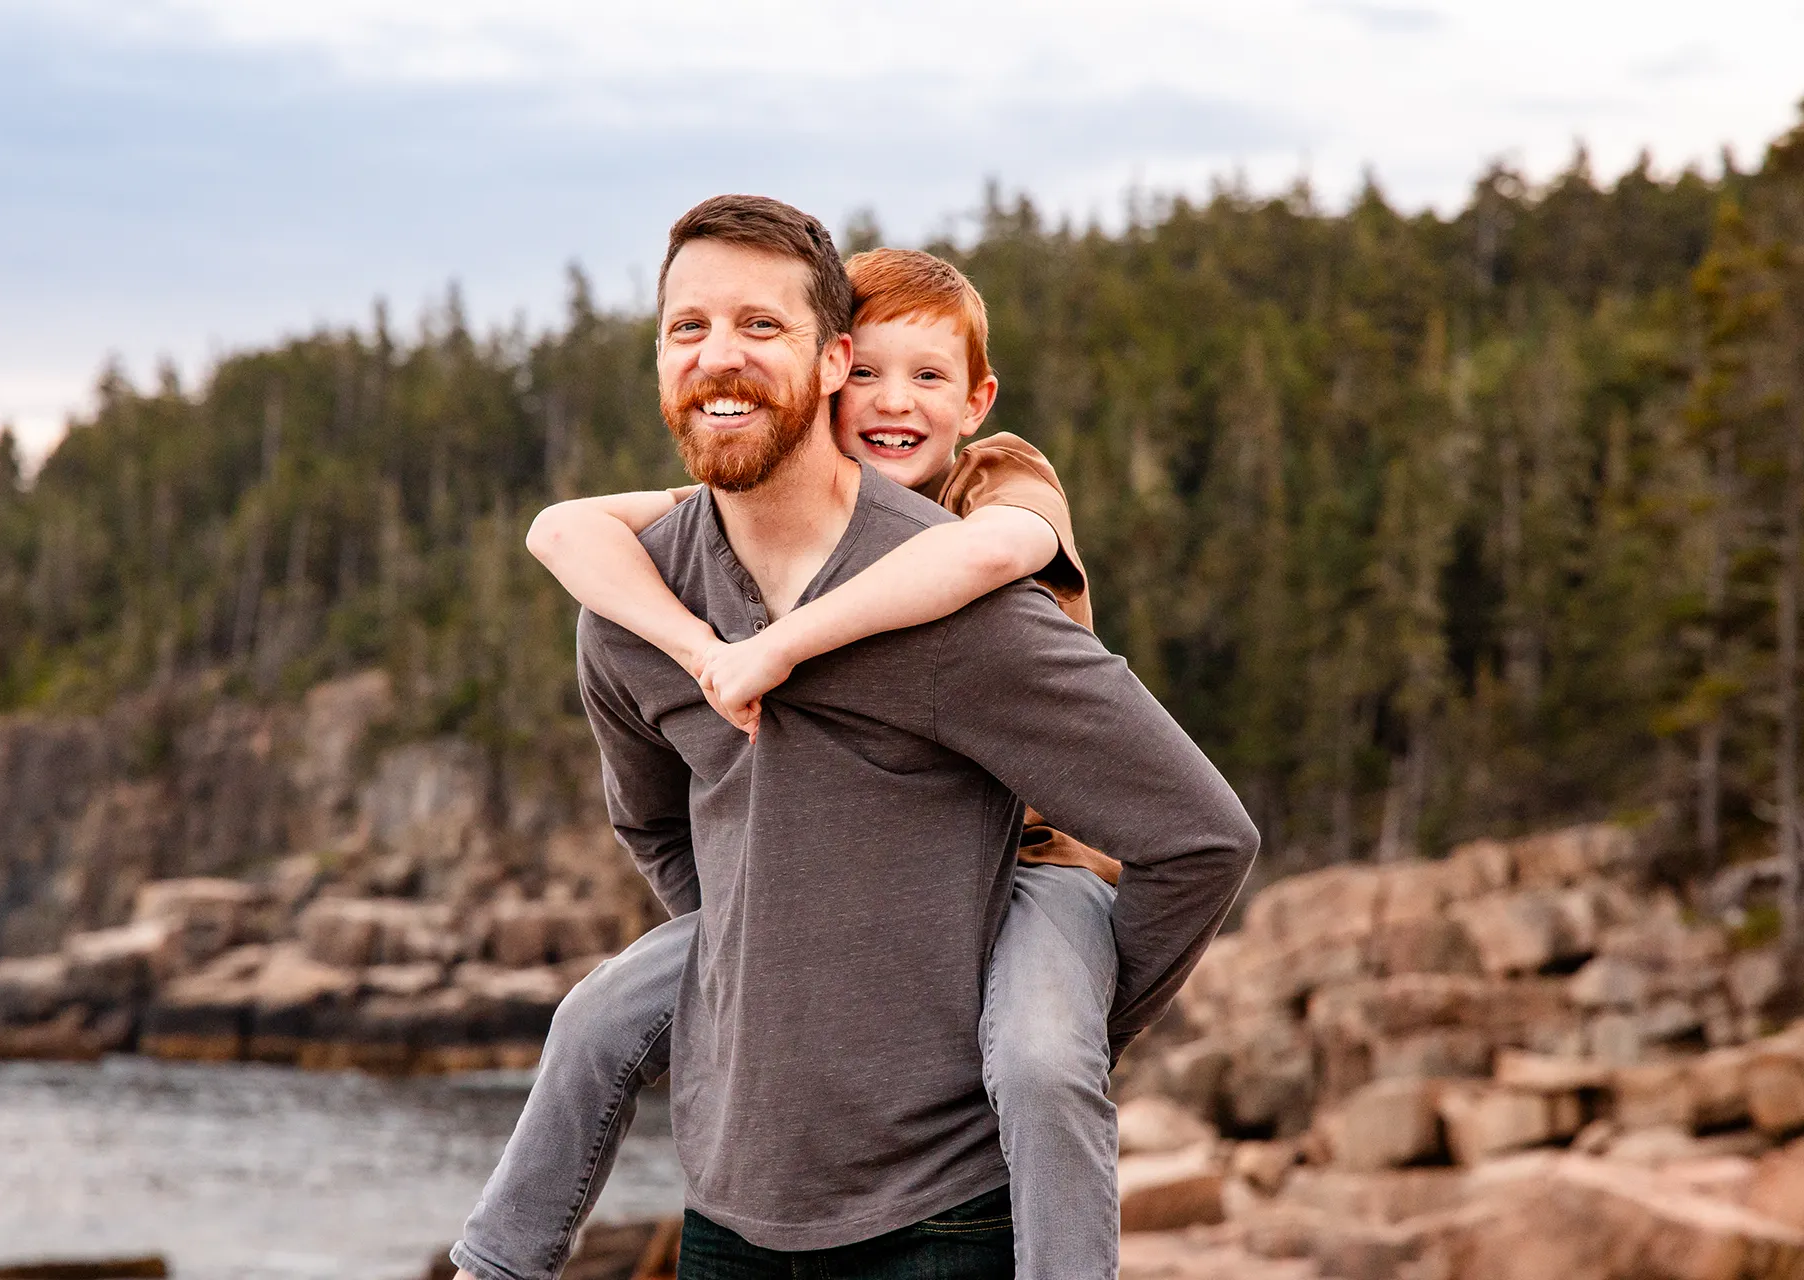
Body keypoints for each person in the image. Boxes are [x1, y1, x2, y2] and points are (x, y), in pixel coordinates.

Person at [453, 194, 1257, 1280]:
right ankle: (497, 1259)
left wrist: (1041, 1002)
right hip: (734, 1206)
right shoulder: (647, 596)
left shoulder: (987, 523)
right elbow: (573, 548)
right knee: (595, 1016)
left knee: (1037, 1054)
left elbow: (1198, 830)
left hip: (1035, 881)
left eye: (762, 327)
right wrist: (774, 948)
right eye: (687, 326)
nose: (892, 402)